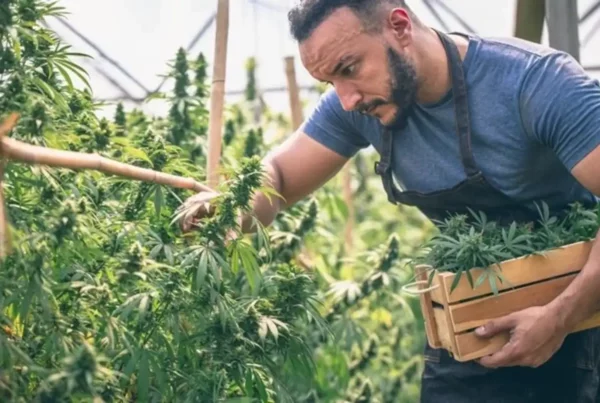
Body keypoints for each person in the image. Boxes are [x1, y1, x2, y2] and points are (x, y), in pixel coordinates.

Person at [180, 0, 600, 401]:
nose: (346, 99)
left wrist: (561, 317)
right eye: (331, 82)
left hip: (583, 311)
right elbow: (281, 177)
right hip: (470, 315)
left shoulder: (535, 83)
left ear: (399, 27)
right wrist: (232, 207)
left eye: (350, 69)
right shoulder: (358, 106)